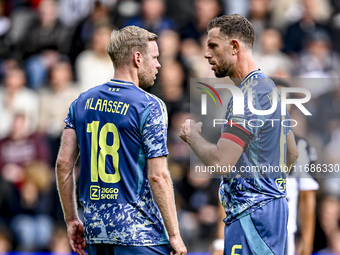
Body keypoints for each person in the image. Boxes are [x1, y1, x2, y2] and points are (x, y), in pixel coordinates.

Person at [56, 25, 187, 255]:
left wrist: (72, 219)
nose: (158, 65)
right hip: (140, 235)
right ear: (138, 58)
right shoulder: (149, 105)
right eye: (155, 58)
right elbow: (158, 175)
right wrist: (174, 235)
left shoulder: (81, 102)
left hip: (96, 234)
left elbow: (63, 164)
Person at [179, 14, 299, 255]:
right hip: (268, 216)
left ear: (234, 47)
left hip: (252, 219)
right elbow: (292, 154)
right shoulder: (268, 87)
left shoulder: (250, 96)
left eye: (213, 46)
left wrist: (191, 135)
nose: (207, 54)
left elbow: (221, 162)